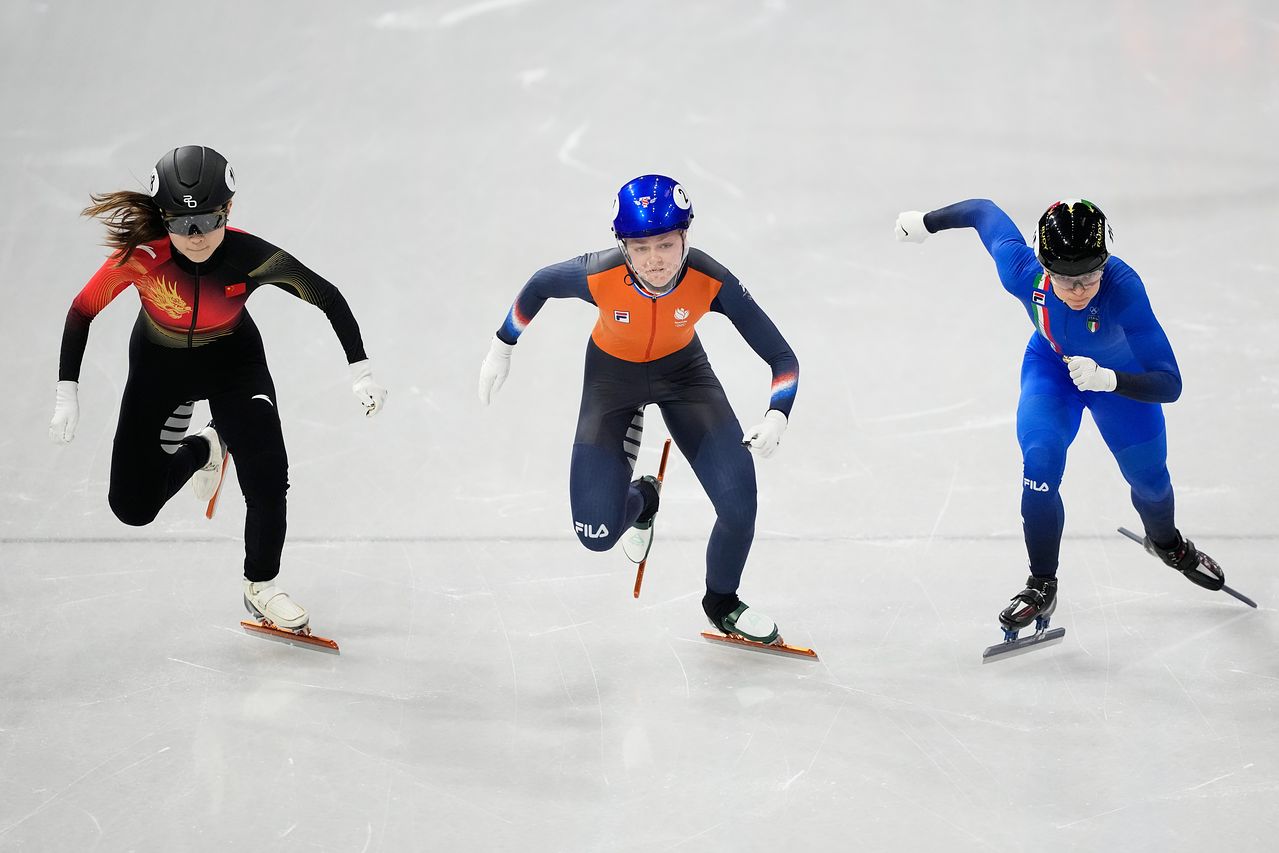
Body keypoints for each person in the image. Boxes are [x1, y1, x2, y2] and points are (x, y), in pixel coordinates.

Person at [49, 145, 387, 633]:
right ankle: (207, 444)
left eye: (208, 220)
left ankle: (262, 585)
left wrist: (361, 370)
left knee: (269, 473)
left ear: (228, 210)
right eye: (181, 224)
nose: (197, 236)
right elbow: (82, 310)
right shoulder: (142, 258)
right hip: (158, 369)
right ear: (162, 218)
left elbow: (325, 295)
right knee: (132, 508)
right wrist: (67, 391)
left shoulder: (251, 256)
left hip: (233, 363)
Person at [478, 175, 799, 644]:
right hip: (612, 382)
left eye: (666, 244)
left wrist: (777, 414)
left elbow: (783, 359)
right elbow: (539, 284)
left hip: (685, 378)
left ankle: (722, 601)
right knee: (597, 533)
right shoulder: (596, 273)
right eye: (641, 247)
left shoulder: (713, 280)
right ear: (623, 246)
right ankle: (644, 498)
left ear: (685, 237)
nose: (655, 261)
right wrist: (501, 345)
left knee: (739, 503)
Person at [894, 199, 1224, 635]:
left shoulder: (1123, 289)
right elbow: (984, 213)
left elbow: (1170, 383)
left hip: (1120, 380)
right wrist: (927, 224)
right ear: (1044, 268)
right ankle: (1040, 584)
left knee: (1150, 480)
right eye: (1065, 279)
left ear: (1105, 261)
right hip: (1055, 370)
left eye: (1090, 276)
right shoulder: (1023, 273)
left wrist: (1110, 380)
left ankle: (1168, 544)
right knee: (1040, 462)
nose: (1078, 290)